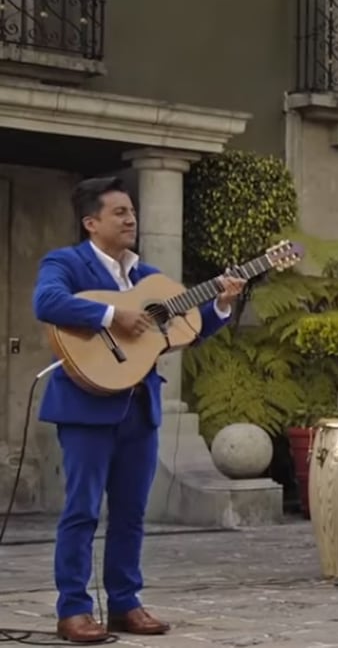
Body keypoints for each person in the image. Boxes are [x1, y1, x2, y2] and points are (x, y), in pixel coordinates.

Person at [32, 176, 245, 642]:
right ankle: (73, 609)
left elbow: (184, 328)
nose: (131, 219)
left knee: (131, 512)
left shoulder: (148, 278)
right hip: (86, 404)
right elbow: (45, 302)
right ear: (91, 223)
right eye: (119, 212)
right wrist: (112, 315)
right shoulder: (65, 262)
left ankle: (125, 603)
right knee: (82, 510)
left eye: (132, 211)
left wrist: (222, 305)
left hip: (140, 405)